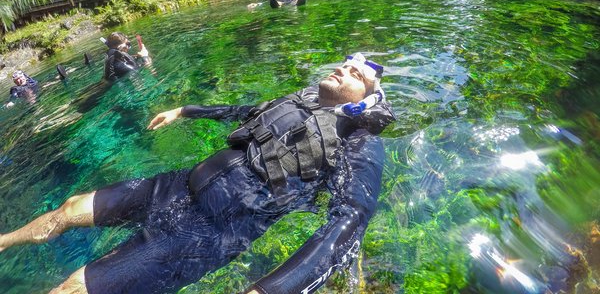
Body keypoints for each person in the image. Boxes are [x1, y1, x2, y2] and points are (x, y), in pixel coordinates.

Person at [0, 53, 396, 294]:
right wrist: (185, 110)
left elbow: (349, 222)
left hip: (211, 230)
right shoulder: (299, 100)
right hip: (178, 185)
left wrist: (271, 289)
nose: (344, 69)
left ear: (367, 99)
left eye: (356, 75)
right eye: (344, 65)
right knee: (70, 207)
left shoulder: (360, 144)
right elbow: (242, 112)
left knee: (72, 287)